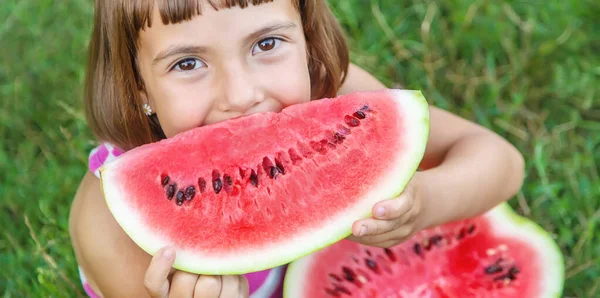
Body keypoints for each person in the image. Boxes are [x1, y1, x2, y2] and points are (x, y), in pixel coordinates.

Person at [68, 0, 525, 297]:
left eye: (267, 43)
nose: (242, 94)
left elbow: (500, 161)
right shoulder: (109, 224)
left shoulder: (337, 95)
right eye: (188, 63)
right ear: (138, 85)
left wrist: (422, 204)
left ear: (306, 42)